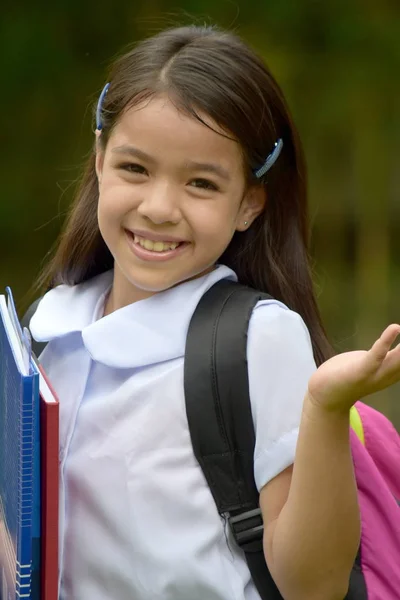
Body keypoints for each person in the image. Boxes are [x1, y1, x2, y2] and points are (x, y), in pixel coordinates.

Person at [28, 25, 400, 600]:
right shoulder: (50, 333)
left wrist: (326, 408)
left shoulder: (257, 338)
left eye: (201, 183)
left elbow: (314, 586)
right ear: (99, 159)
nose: (158, 208)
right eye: (135, 168)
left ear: (250, 203)